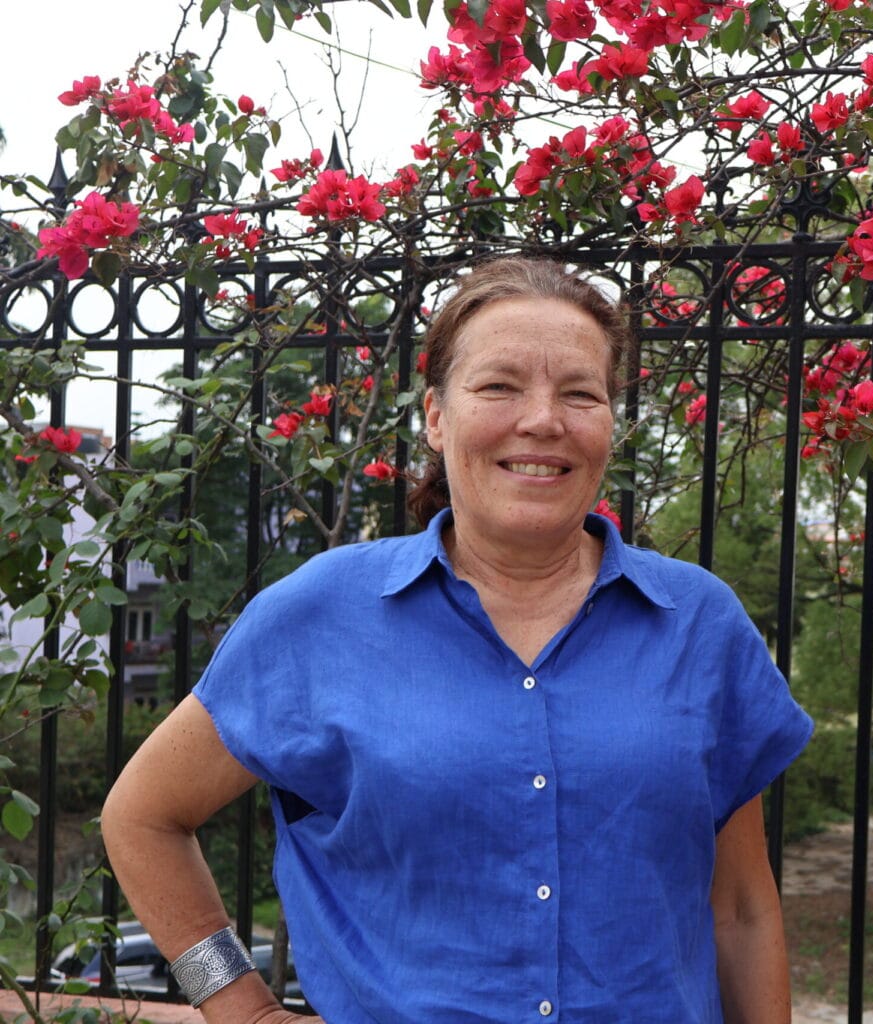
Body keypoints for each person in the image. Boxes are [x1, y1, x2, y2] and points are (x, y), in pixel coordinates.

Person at [102, 257, 813, 1024]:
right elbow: (142, 817)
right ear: (436, 416)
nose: (544, 419)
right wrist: (243, 1010)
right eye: (500, 386)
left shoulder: (700, 624)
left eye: (580, 393)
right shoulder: (318, 616)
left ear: (612, 422)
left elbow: (739, 907)